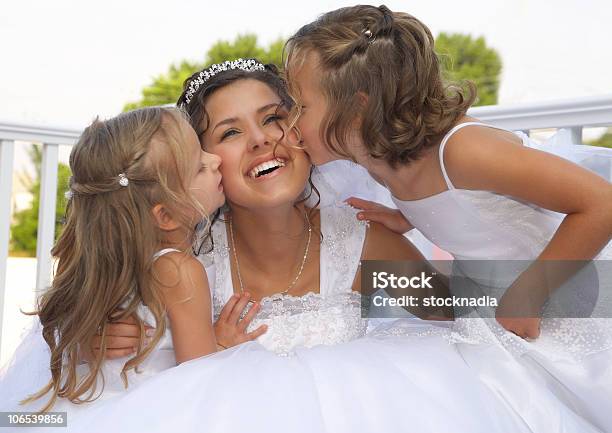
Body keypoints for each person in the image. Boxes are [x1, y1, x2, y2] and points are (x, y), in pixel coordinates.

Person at [65, 59, 603, 433]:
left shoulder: (357, 242)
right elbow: (92, 288)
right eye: (229, 133)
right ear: (196, 166)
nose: (261, 140)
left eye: (275, 118)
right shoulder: (185, 253)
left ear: (302, 133)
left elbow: (456, 307)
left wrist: (546, 287)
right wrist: (95, 332)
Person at [283, 4, 612, 338]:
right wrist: (409, 215)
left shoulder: (466, 152)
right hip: (491, 307)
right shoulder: (376, 158)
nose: (290, 123)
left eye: (301, 107)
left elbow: (602, 203)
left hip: (566, 300)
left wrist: (529, 295)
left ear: (358, 108)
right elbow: (463, 204)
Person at [0, 107, 264, 417]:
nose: (215, 159)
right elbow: (197, 381)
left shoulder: (107, 268)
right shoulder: (179, 271)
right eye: (199, 167)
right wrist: (221, 344)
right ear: (164, 215)